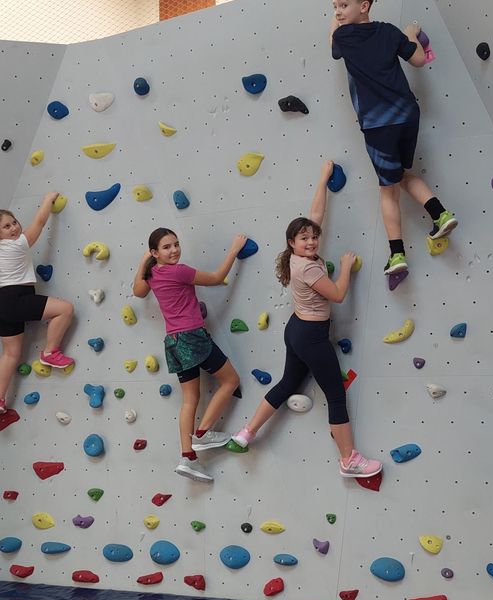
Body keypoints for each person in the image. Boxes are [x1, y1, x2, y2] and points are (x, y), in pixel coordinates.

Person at [230, 161, 382, 479]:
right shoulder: (309, 268)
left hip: (297, 330)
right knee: (335, 394)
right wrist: (344, 265)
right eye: (304, 239)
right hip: (311, 335)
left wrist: (323, 177)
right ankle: (348, 460)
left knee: (288, 383)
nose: (311, 241)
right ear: (292, 243)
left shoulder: (299, 257)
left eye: (313, 237)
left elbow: (316, 216)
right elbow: (338, 294)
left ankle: (246, 433)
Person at [330, 0, 457, 278]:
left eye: (342, 5)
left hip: (378, 123)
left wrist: (338, 21)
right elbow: (418, 59)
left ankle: (397, 254)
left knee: (387, 190)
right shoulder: (389, 32)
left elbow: (332, 41)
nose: (337, 12)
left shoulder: (344, 37)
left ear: (364, 6)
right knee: (400, 176)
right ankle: (440, 214)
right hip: (407, 115)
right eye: (334, 6)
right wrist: (410, 32)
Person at [133, 229, 245, 484]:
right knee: (230, 381)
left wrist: (143, 263)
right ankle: (203, 433)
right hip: (192, 337)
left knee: (189, 400)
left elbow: (138, 291)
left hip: (173, 342)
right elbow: (217, 278)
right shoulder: (178, 271)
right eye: (166, 247)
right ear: (155, 252)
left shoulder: (152, 274)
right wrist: (234, 251)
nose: (174, 250)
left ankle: (187, 457)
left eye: (176, 244)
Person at [0, 194, 74, 415]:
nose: (14, 228)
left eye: (14, 223)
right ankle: (49, 352)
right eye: (6, 226)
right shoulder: (16, 244)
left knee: (10, 354)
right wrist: (48, 199)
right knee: (65, 310)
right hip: (14, 299)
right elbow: (39, 223)